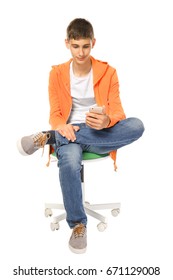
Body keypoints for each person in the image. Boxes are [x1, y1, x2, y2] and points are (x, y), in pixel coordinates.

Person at [17, 18, 144, 254]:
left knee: (137, 125)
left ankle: (50, 138)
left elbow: (118, 111)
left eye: (86, 46)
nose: (81, 52)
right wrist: (60, 126)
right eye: (76, 46)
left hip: (101, 132)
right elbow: (55, 113)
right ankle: (77, 224)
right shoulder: (56, 74)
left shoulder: (108, 72)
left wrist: (108, 120)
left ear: (93, 43)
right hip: (67, 128)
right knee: (70, 161)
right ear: (67, 44)